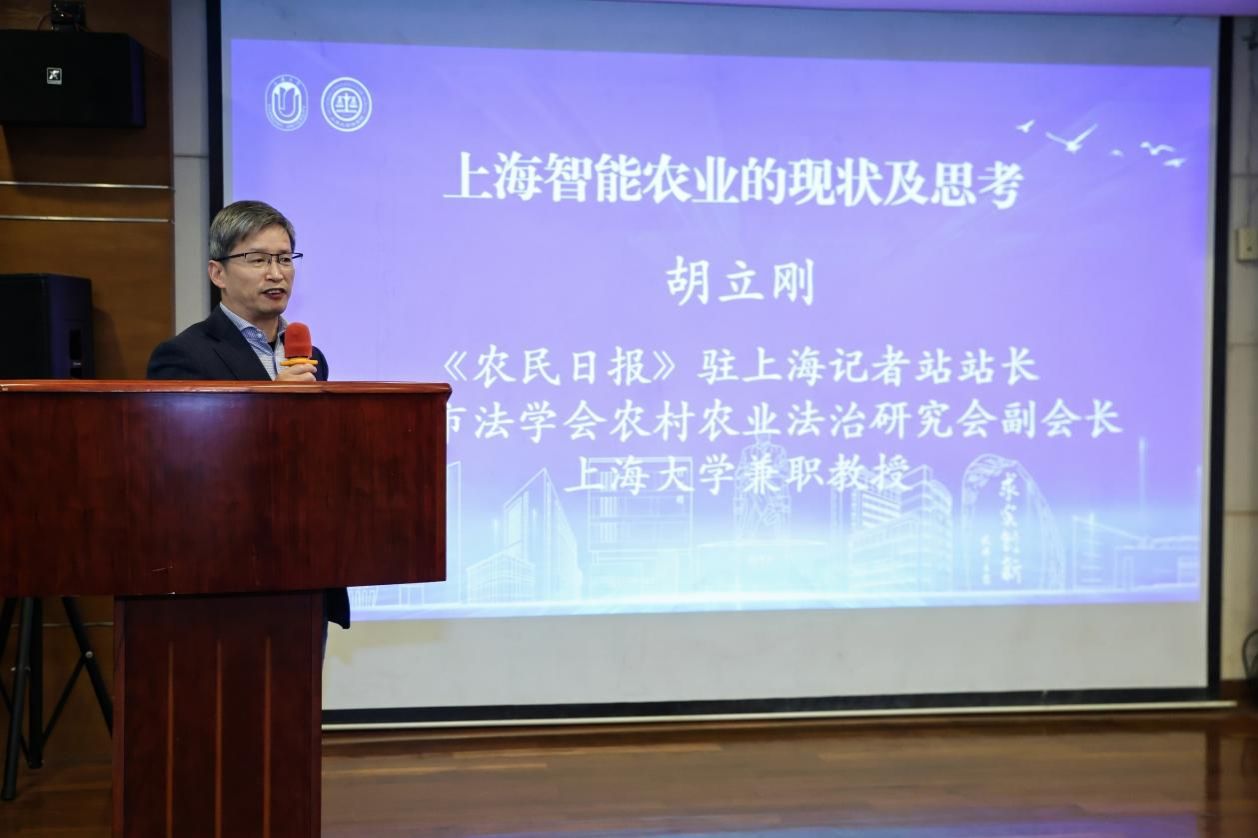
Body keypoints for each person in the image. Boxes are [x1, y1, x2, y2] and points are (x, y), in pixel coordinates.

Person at [147, 199, 351, 640]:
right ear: (217, 273)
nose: (276, 273)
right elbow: (182, 469)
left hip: (305, 570)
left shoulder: (309, 357)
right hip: (225, 578)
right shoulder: (183, 356)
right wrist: (271, 400)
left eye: (284, 259)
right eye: (257, 260)